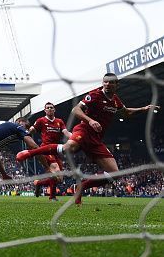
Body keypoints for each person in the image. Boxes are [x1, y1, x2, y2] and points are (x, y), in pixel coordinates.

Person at [16, 73, 159, 205]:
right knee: (68, 148)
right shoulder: (95, 95)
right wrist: (90, 120)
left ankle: (82, 186)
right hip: (84, 130)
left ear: (117, 85)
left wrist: (144, 108)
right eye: (105, 82)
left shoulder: (115, 101)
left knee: (115, 173)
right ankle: (29, 154)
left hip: (96, 139)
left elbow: (126, 112)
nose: (107, 85)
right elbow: (76, 110)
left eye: (111, 83)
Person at [28, 102, 71, 200]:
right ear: (45, 110)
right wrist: (26, 131)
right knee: (55, 172)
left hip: (56, 150)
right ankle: (52, 197)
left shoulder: (59, 121)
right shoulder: (41, 120)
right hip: (46, 150)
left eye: (51, 107)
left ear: (54, 110)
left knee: (59, 178)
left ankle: (39, 183)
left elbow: (65, 132)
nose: (50, 109)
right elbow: (32, 130)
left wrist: (74, 137)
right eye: (48, 108)